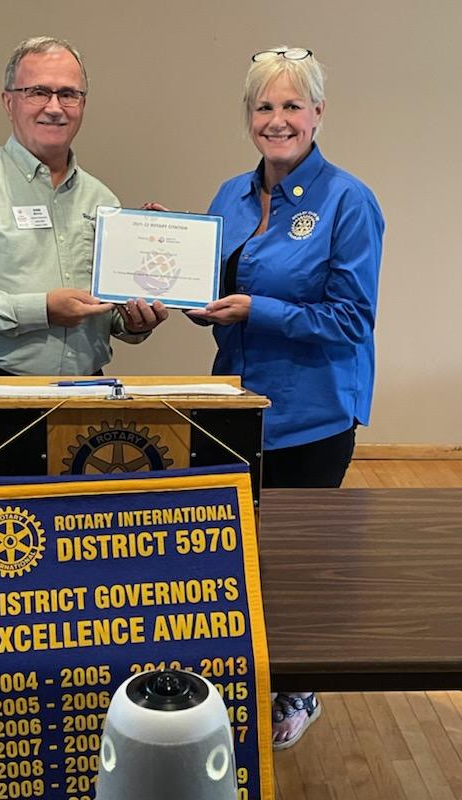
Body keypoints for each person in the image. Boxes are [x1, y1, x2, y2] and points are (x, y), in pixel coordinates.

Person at [186, 47, 384, 748]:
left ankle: (297, 689)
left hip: (310, 417)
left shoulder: (350, 202)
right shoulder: (228, 198)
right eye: (264, 107)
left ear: (319, 113)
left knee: (297, 568)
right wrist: (165, 268)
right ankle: (235, 675)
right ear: (249, 117)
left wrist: (256, 311)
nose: (278, 120)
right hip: (229, 412)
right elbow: (210, 296)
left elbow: (350, 320)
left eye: (292, 106)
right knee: (229, 555)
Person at [0, 36, 168, 492]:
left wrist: (135, 321)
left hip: (88, 402)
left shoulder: (101, 200)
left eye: (68, 94)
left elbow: (110, 314)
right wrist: (43, 308)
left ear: (83, 105)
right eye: (38, 92)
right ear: (9, 102)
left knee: (84, 543)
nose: (55, 106)